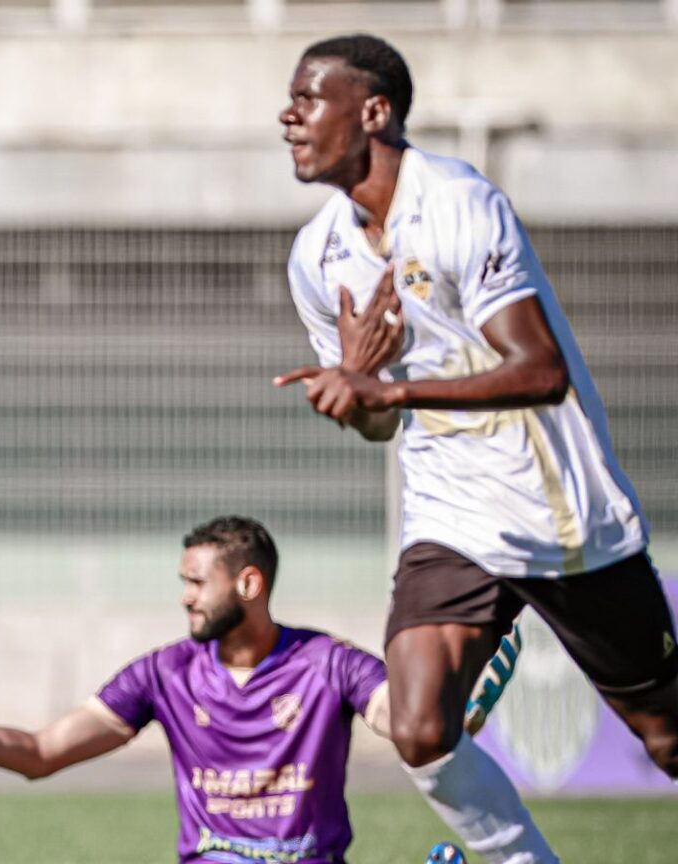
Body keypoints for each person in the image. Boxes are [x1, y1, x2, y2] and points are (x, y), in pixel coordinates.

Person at [273, 32, 678, 863]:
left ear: (374, 111)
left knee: (669, 739)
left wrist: (389, 387)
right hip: (452, 514)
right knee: (421, 729)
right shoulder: (317, 255)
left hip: (562, 514)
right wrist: (357, 394)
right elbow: (380, 420)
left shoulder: (459, 200)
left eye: (309, 98)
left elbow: (541, 370)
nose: (288, 116)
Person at [0, 516, 511, 864]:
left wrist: (458, 714)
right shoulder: (162, 673)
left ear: (249, 584)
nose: (185, 598)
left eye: (198, 583)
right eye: (184, 582)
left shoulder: (327, 663)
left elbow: (406, 721)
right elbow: (46, 751)